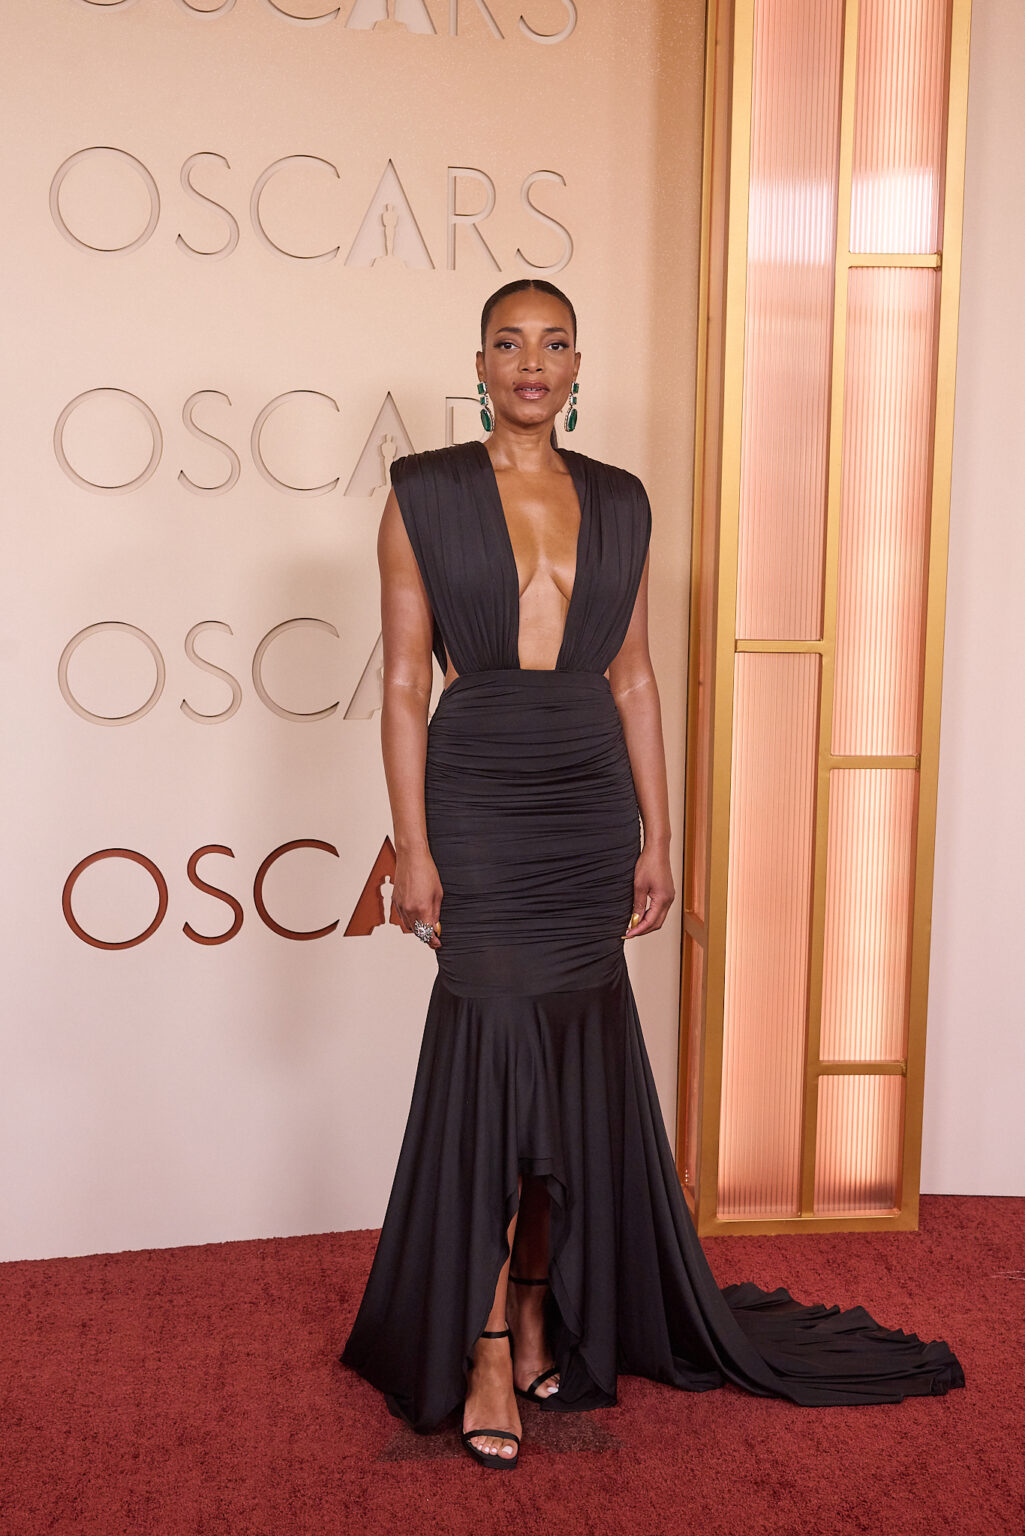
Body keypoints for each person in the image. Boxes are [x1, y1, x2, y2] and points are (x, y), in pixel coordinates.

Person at [339, 279, 965, 1471]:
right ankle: (477, 1342)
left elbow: (631, 678)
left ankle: (532, 1310)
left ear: (580, 365)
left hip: (586, 804)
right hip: (475, 802)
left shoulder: (619, 502)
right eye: (510, 343)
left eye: (555, 342)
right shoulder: (420, 492)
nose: (533, 362)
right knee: (492, 1063)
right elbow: (405, 684)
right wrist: (410, 845)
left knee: (566, 1068)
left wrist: (659, 836)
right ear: (478, 361)